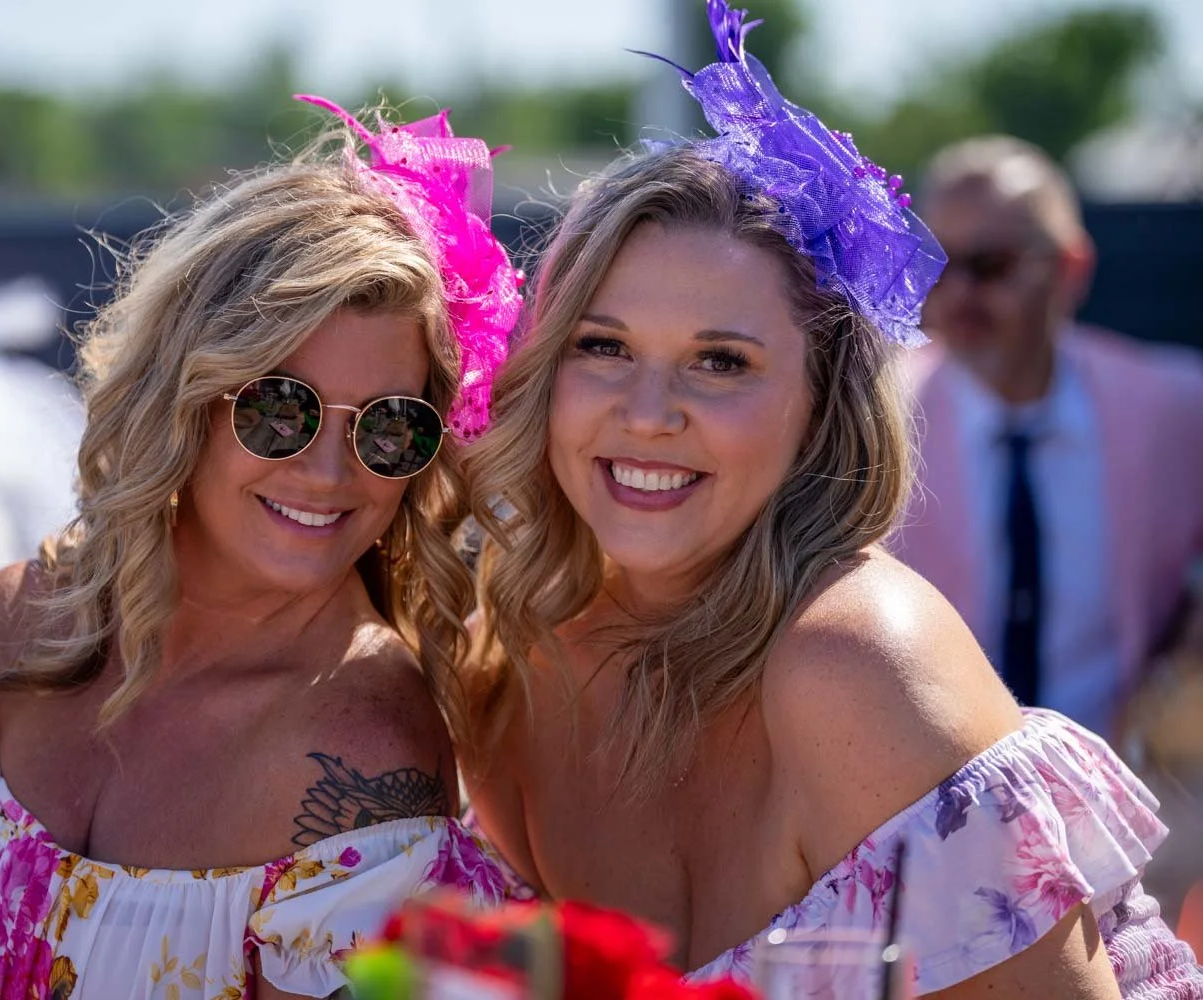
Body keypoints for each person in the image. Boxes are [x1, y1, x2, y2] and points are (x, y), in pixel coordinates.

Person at [459, 4, 1203, 996]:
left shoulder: (854, 663)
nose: (647, 413)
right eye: (603, 346)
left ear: (822, 405)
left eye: (720, 361)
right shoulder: (508, 657)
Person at [0, 97, 520, 1000]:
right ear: (186, 402)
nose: (329, 471)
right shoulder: (16, 625)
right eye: (280, 408)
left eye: (389, 426)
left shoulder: (368, 752)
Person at [896, 134, 1203, 741]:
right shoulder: (871, 418)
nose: (959, 294)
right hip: (928, 785)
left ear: (1070, 269)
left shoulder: (1173, 408)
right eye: (935, 264)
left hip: (1122, 781)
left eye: (992, 265)